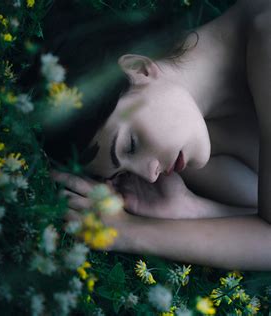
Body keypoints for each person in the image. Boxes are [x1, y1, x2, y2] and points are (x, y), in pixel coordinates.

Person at [50, 0, 271, 271]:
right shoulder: (189, 144)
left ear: (139, 70)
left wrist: (131, 232)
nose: (150, 175)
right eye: (121, 173)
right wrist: (191, 210)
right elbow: (263, 225)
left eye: (130, 145)